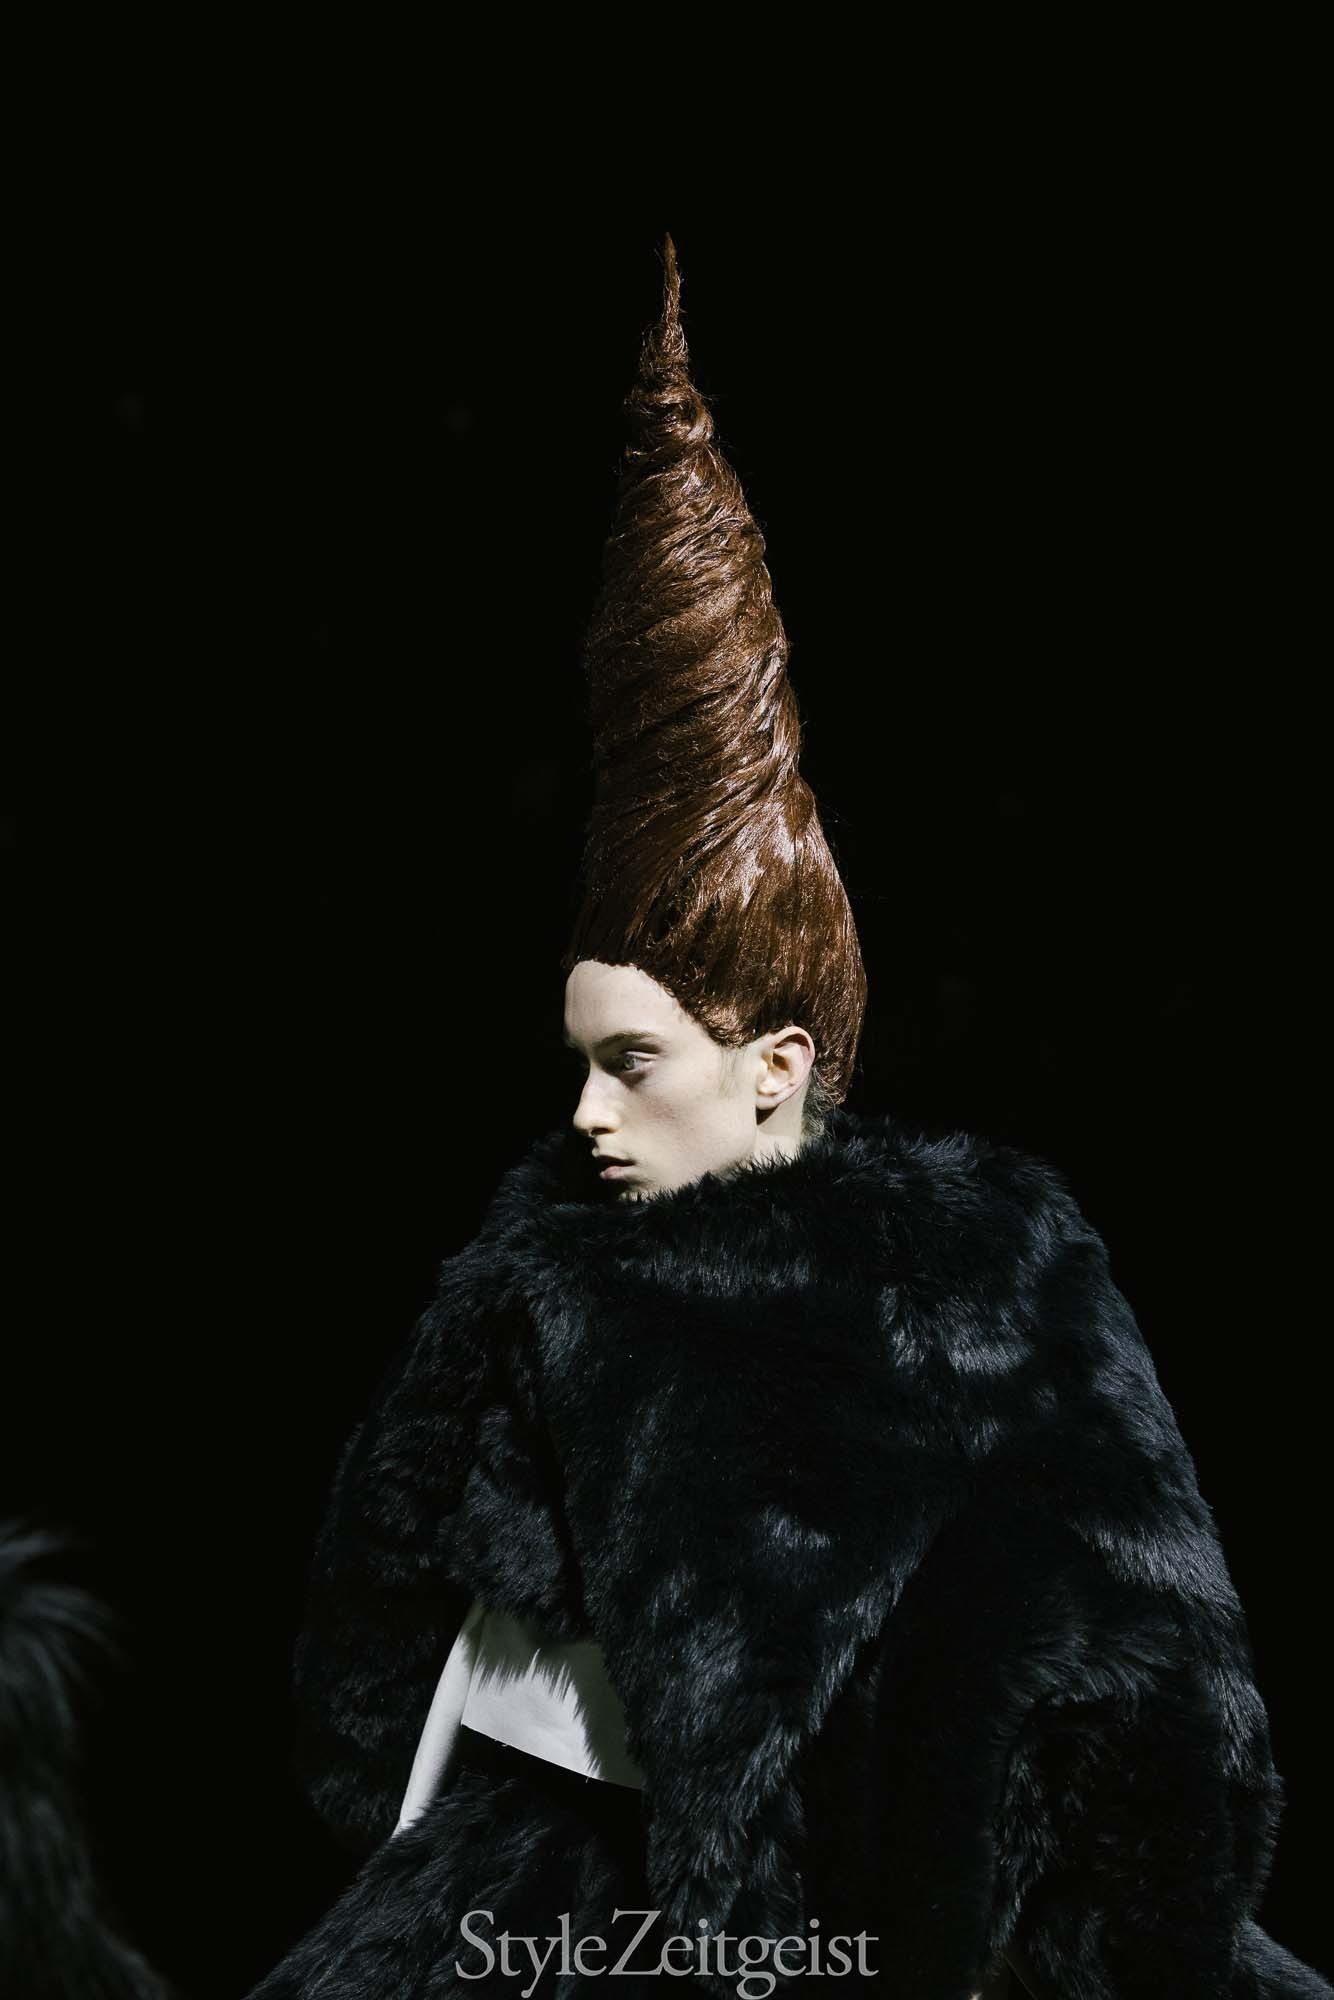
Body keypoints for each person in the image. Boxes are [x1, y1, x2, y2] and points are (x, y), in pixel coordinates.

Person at [245, 236, 1328, 1999]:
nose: (587, 1112)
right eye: (580, 1058)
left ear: (776, 1063)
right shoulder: (531, 1287)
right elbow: (379, 1692)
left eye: (633, 1061)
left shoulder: (995, 1281)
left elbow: (1158, 1692)